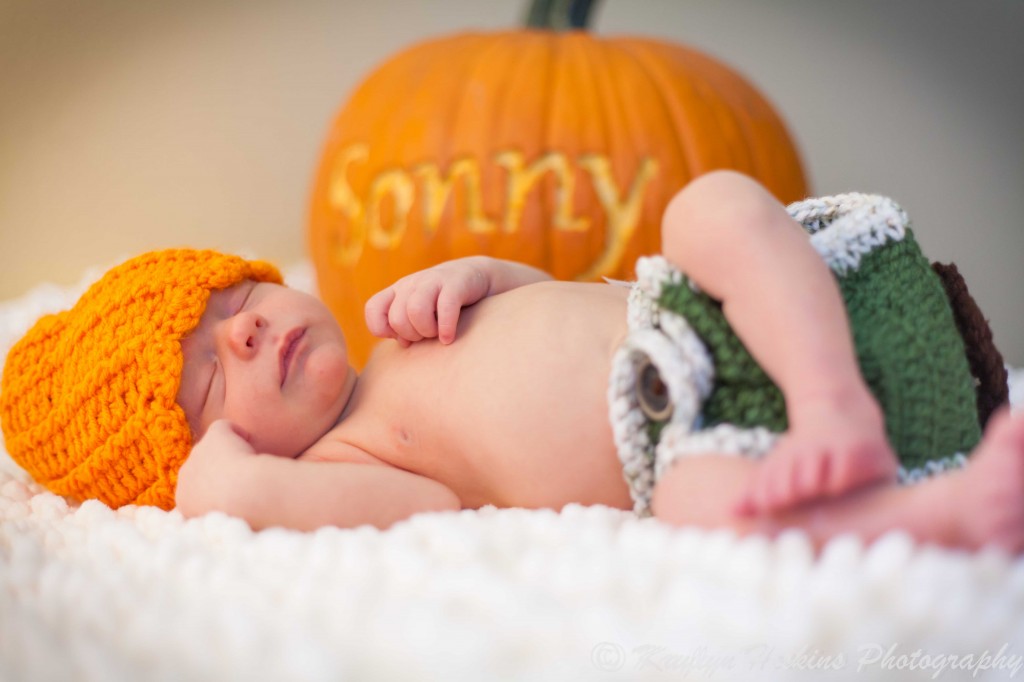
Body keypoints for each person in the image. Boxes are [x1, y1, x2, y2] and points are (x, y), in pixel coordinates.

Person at [2, 171, 1021, 553]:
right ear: (208, 455)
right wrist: (241, 496)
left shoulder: (406, 331)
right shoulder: (343, 467)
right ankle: (920, 512)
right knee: (701, 507)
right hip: (689, 434)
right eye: (211, 376)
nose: (247, 332)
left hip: (713, 315)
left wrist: (491, 273)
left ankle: (831, 394)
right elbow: (431, 517)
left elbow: (568, 303)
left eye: (239, 299)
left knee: (704, 204)